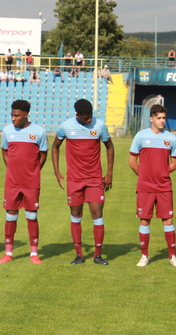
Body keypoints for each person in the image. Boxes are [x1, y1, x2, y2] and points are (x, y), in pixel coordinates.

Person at [52, 99, 114, 265]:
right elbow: (55, 146)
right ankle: (79, 254)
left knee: (97, 215)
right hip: (74, 180)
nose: (89, 120)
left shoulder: (99, 126)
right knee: (75, 216)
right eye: (85, 118)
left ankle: (98, 255)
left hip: (94, 179)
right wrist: (57, 171)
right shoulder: (66, 126)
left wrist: (109, 173)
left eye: (90, 117)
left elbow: (109, 147)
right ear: (77, 115)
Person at [129, 104, 176, 267]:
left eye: (164, 118)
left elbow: (175, 163)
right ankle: (144, 256)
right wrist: (145, 175)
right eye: (158, 118)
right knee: (144, 221)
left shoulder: (171, 138)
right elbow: (132, 162)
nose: (162, 121)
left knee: (168, 220)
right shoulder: (140, 136)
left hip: (164, 187)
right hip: (145, 187)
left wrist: (164, 173)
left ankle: (172, 256)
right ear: (151, 118)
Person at [0, 100, 48, 264]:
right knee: (10, 216)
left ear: (26, 114)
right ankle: (8, 253)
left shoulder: (39, 132)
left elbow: (43, 154)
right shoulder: (7, 131)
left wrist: (33, 171)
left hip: (31, 183)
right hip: (12, 182)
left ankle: (34, 254)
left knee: (31, 216)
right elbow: (5, 152)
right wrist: (11, 168)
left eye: (17, 116)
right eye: (12, 115)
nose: (13, 118)